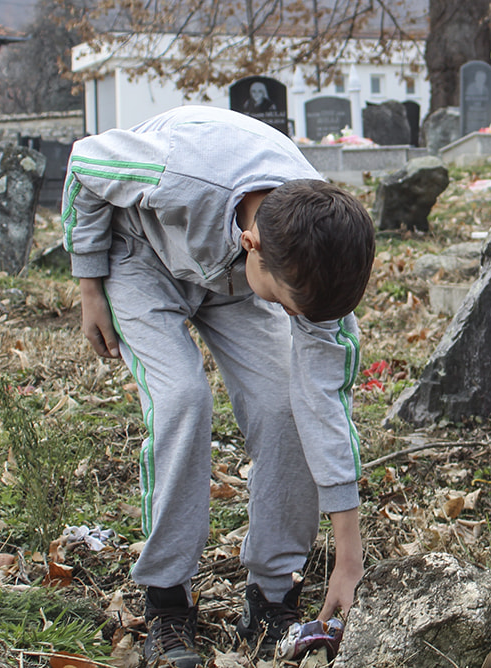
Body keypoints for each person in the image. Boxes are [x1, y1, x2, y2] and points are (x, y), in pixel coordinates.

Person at [61, 105, 375, 667]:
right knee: (183, 399)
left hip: (234, 282)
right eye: (286, 306)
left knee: (284, 407)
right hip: (142, 254)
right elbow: (85, 163)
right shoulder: (180, 171)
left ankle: (273, 596)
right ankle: (167, 599)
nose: (293, 319)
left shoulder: (317, 254)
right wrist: (89, 282)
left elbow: (324, 404)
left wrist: (348, 557)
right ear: (254, 244)